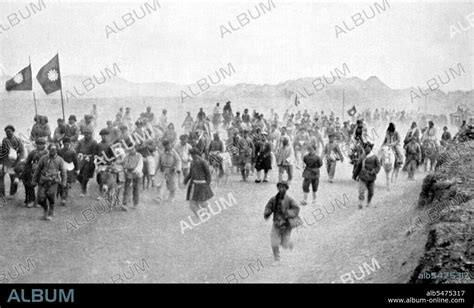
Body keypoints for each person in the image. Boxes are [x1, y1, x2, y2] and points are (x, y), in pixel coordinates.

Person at [264, 181, 301, 263]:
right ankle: (277, 259)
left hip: (286, 224)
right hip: (276, 223)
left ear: (286, 189)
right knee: (274, 241)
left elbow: (296, 209)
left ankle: (289, 243)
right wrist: (267, 212)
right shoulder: (274, 199)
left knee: (285, 243)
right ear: (277, 188)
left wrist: (287, 213)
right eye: (280, 187)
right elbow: (269, 206)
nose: (281, 189)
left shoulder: (290, 199)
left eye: (283, 187)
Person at [32, 144, 67, 221]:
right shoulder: (43, 158)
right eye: (51, 150)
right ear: (49, 150)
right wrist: (34, 180)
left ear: (56, 151)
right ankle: (45, 208)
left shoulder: (59, 160)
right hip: (43, 180)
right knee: (40, 199)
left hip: (53, 181)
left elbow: (64, 171)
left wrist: (64, 182)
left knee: (51, 196)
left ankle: (50, 212)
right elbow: (37, 170)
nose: (53, 152)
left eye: (54, 150)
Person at [184, 148, 213, 216]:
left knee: (203, 202)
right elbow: (190, 174)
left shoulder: (203, 162)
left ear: (197, 154)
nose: (193, 156)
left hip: (202, 184)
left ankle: (208, 213)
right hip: (194, 185)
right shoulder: (192, 162)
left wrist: (207, 184)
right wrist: (185, 181)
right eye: (192, 155)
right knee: (192, 204)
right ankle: (201, 214)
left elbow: (208, 174)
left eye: (194, 155)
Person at [352, 142, 381, 209]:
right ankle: (361, 202)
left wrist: (374, 171)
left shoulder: (374, 157)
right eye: (365, 147)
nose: (367, 149)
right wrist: (355, 175)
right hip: (363, 176)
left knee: (371, 191)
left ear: (371, 148)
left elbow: (378, 166)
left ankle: (369, 202)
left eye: (368, 147)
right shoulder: (362, 156)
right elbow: (358, 166)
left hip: (371, 177)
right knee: (361, 190)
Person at [0, 125, 25, 199]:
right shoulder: (4, 140)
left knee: (13, 178)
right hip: (5, 162)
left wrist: (17, 162)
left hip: (14, 162)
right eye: (6, 132)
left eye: (9, 132)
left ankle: (12, 193)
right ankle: (2, 194)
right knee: (1, 177)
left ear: (13, 131)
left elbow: (22, 152)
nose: (8, 133)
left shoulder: (18, 140)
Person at [23, 138, 48, 208]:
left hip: (44, 171)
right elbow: (28, 162)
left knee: (42, 187)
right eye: (38, 144)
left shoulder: (48, 153)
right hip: (34, 172)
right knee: (30, 185)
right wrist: (28, 170)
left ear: (44, 145)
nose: (39, 146)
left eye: (41, 144)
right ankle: (31, 200)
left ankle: (40, 201)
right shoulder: (33, 152)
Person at [75, 127, 99, 197]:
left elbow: (95, 153)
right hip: (80, 161)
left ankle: (83, 190)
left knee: (85, 176)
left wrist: (90, 157)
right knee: (77, 176)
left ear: (91, 135)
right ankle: (84, 186)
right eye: (85, 134)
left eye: (88, 134)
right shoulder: (80, 141)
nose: (86, 135)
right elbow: (76, 150)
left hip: (89, 162)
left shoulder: (94, 142)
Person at [57, 137, 78, 206]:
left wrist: (77, 169)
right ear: (63, 144)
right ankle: (62, 196)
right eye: (65, 144)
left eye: (67, 144)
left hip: (69, 168)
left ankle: (64, 198)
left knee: (66, 184)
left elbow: (75, 161)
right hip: (62, 168)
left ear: (69, 144)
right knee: (61, 183)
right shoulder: (60, 151)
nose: (66, 146)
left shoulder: (73, 151)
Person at [122, 146, 143, 210]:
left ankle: (135, 204)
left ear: (135, 149)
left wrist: (135, 170)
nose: (131, 151)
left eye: (133, 149)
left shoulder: (139, 156)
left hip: (137, 175)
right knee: (127, 189)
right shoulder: (126, 156)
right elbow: (124, 164)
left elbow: (140, 165)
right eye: (130, 150)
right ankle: (125, 204)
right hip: (129, 174)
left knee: (136, 189)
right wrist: (126, 168)